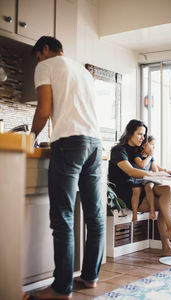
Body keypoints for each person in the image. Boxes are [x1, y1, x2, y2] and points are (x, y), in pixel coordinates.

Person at [28, 36, 104, 300]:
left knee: (63, 216)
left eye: (38, 56)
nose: (38, 61)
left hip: (69, 144)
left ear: (45, 49)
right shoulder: (83, 71)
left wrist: (31, 137)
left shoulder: (46, 65)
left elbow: (44, 110)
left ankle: (61, 288)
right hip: (95, 143)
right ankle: (90, 277)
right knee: (94, 216)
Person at [108, 119, 171, 256]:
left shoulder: (138, 151)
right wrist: (154, 174)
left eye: (144, 135)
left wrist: (164, 171)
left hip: (140, 185)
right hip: (128, 191)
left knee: (166, 190)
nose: (142, 138)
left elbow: (152, 165)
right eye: (140, 134)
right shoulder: (118, 151)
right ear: (130, 133)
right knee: (166, 206)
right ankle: (167, 242)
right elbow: (131, 172)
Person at [131, 135, 171, 222]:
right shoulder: (137, 156)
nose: (154, 147)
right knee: (136, 191)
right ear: (144, 145)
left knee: (149, 187)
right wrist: (150, 156)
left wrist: (164, 171)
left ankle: (152, 211)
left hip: (147, 179)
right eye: (152, 144)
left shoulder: (151, 157)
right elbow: (142, 165)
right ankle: (134, 214)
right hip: (138, 178)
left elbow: (155, 170)